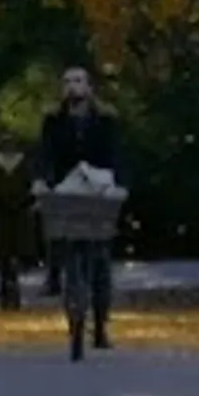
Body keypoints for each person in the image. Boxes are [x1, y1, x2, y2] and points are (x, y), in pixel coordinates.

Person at [33, 66, 126, 351]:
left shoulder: (106, 121)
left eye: (78, 81)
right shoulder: (53, 121)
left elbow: (117, 155)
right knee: (55, 232)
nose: (73, 87)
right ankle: (54, 277)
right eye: (67, 82)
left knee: (100, 258)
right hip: (65, 190)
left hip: (98, 190)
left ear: (89, 87)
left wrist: (120, 184)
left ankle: (100, 324)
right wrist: (40, 181)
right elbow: (44, 155)